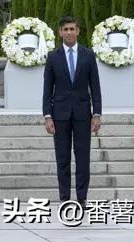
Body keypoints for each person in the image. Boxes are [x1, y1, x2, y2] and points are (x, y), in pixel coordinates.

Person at [42, 16, 102, 206]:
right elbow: (47, 88)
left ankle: (82, 197)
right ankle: (65, 197)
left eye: (72, 29)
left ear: (78, 31)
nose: (69, 32)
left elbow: (96, 86)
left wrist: (97, 113)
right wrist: (47, 115)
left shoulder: (88, 55)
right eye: (65, 29)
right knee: (63, 157)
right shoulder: (53, 57)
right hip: (59, 114)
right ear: (60, 32)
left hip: (83, 113)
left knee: (83, 156)